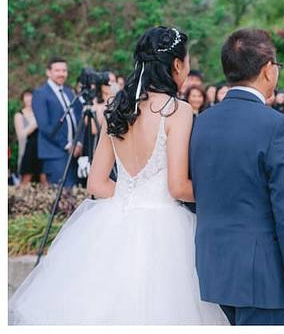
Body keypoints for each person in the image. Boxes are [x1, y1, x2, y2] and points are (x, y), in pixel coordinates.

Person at [9, 26, 229, 324]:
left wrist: (131, 196)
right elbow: (177, 187)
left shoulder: (117, 108)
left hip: (112, 223)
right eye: (187, 60)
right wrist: (220, 193)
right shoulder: (178, 110)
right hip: (165, 228)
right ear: (177, 65)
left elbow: (97, 183)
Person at [190, 28, 284, 325]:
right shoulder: (277, 126)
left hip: (212, 268)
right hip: (263, 277)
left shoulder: (201, 123)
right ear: (268, 70)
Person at [32, 57, 83, 187]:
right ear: (48, 72)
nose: (61, 74)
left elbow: (80, 119)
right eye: (57, 70)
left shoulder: (69, 92)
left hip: (75, 152)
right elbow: (45, 126)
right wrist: (67, 144)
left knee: (75, 192)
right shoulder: (40, 94)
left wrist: (78, 143)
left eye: (64, 70)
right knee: (63, 194)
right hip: (55, 152)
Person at [16, 89, 46, 184]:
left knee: (44, 178)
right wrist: (35, 123)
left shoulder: (41, 112)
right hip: (28, 150)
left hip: (42, 149)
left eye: (31, 96)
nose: (29, 99)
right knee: (26, 177)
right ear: (23, 98)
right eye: (27, 96)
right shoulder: (19, 115)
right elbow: (21, 135)